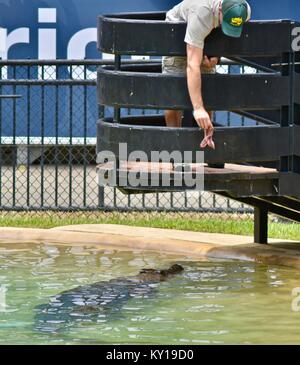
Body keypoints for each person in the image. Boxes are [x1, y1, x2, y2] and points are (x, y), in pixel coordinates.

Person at [162, 0, 251, 149]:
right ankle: (175, 149)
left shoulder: (243, 10)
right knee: (173, 98)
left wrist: (216, 55)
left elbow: (226, 36)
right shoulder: (202, 12)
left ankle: (205, 147)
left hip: (206, 36)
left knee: (207, 94)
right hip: (177, 33)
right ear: (221, 10)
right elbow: (192, 64)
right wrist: (197, 109)